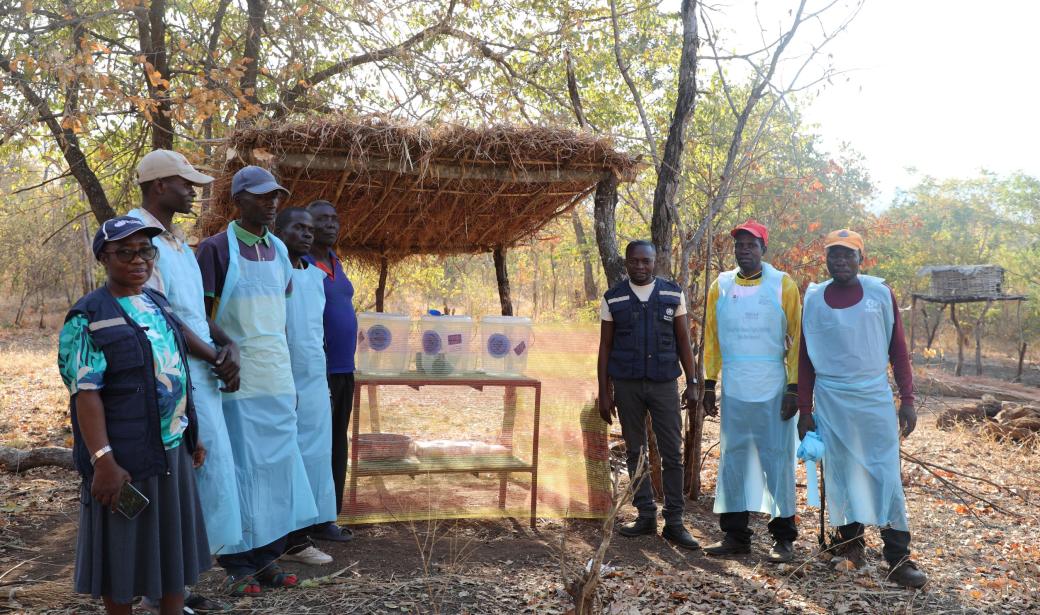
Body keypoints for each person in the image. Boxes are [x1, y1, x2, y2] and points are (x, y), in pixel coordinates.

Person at [59, 216, 213, 615]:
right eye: (124, 252)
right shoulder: (87, 316)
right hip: (125, 456)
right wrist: (103, 461)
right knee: (122, 554)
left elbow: (174, 369)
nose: (137, 259)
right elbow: (86, 394)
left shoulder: (156, 303)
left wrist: (190, 434)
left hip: (171, 448)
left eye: (145, 250)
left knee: (171, 547)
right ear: (103, 258)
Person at [128, 150, 242, 614]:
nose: (192, 191)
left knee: (203, 479)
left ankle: (177, 584)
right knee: (178, 481)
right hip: (170, 378)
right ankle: (161, 591)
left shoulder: (177, 242)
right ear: (158, 186)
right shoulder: (138, 238)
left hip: (201, 372)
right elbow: (160, 315)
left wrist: (227, 344)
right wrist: (212, 353)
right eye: (184, 183)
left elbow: (195, 310)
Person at [195, 166, 317, 596]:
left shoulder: (280, 251)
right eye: (262, 196)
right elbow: (200, 317)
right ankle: (237, 564)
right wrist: (226, 352)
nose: (272, 203)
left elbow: (278, 320)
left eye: (276, 196)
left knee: (277, 469)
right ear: (238, 200)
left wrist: (292, 379)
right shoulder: (214, 251)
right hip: (236, 380)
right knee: (242, 470)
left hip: (276, 376)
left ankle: (266, 558)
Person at [798, 229, 928, 589]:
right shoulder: (813, 298)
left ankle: (898, 557)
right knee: (841, 472)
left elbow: (898, 351)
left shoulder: (879, 294)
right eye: (833, 255)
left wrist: (908, 399)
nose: (840, 261)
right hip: (830, 399)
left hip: (873, 397)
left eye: (848, 255)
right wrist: (804, 408)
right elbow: (805, 357)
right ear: (826, 259)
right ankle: (851, 545)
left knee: (884, 473)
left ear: (861, 259)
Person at [701, 221, 802, 563]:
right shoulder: (721, 286)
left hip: (774, 387)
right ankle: (735, 536)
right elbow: (712, 338)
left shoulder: (782, 285)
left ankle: (783, 538)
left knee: (777, 460)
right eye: (739, 245)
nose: (744, 250)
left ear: (763, 249)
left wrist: (794, 387)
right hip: (736, 388)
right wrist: (709, 383)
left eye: (751, 244)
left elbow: (797, 338)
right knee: (735, 460)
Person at [597, 240, 700, 550]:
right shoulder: (613, 298)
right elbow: (605, 347)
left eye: (646, 261)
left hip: (664, 384)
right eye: (634, 261)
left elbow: (683, 340)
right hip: (627, 385)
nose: (640, 266)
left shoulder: (672, 293)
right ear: (626, 263)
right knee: (635, 450)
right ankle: (644, 515)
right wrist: (604, 391)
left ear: (655, 262)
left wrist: (693, 382)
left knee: (672, 452)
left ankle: (675, 521)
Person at [273, 208, 338, 565]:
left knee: (315, 456)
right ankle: (286, 537)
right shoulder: (273, 271)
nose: (308, 234)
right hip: (281, 376)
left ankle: (304, 533)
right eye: (299, 227)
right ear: (278, 231)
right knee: (288, 456)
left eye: (310, 229)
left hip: (315, 378)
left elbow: (315, 333)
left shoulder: (314, 276)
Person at [302, 200, 358, 542]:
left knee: (338, 441)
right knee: (316, 444)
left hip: (343, 369)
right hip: (316, 371)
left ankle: (328, 517)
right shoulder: (302, 264)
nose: (331, 224)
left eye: (335, 219)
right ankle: (308, 519)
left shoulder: (335, 261)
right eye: (322, 219)